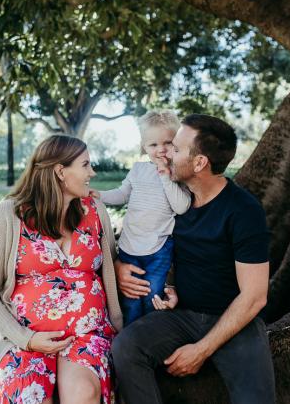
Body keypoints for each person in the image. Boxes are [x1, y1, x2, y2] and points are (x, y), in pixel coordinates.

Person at [112, 114, 275, 404]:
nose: (166, 153)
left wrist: (201, 350)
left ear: (200, 163)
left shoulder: (243, 210)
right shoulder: (174, 199)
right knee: (126, 347)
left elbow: (254, 297)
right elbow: (146, 243)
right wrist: (120, 267)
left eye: (175, 148)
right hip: (182, 315)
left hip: (234, 319)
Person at [0, 135, 123, 404]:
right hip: (22, 337)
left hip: (86, 334)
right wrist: (26, 338)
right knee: (29, 395)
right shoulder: (8, 215)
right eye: (85, 165)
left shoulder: (95, 210)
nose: (93, 172)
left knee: (83, 394)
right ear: (60, 171)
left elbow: (111, 266)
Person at [92, 110, 190, 325]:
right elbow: (122, 194)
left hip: (158, 247)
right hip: (129, 245)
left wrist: (166, 175)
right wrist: (100, 195)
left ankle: (150, 332)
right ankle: (130, 334)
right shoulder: (138, 170)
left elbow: (181, 206)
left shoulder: (178, 174)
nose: (161, 149)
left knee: (152, 293)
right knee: (131, 298)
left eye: (167, 142)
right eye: (153, 145)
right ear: (144, 147)